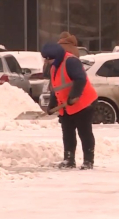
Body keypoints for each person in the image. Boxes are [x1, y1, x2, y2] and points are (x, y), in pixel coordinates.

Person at [41, 42, 98, 170]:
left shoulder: (71, 61)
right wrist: (52, 105)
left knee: (84, 132)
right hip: (66, 105)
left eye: (48, 58)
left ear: (55, 56)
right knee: (67, 133)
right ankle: (69, 159)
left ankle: (88, 161)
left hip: (84, 102)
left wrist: (74, 96)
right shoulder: (54, 66)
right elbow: (56, 87)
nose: (47, 61)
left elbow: (80, 79)